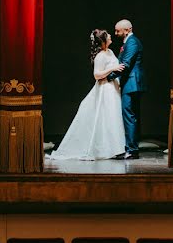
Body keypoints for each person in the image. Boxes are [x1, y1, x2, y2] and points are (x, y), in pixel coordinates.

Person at [49, 29, 126, 160]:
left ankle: (116, 147)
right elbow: (97, 75)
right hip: (104, 89)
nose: (111, 36)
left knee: (114, 116)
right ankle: (106, 148)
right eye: (108, 36)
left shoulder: (110, 51)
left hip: (113, 87)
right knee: (107, 116)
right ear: (103, 40)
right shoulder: (100, 56)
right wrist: (112, 69)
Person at [108, 19, 147, 159]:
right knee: (132, 116)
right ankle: (131, 147)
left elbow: (125, 64)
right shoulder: (129, 42)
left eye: (118, 31)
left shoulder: (132, 42)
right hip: (131, 84)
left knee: (129, 116)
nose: (116, 33)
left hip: (131, 84)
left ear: (127, 30)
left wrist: (108, 76)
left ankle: (131, 149)